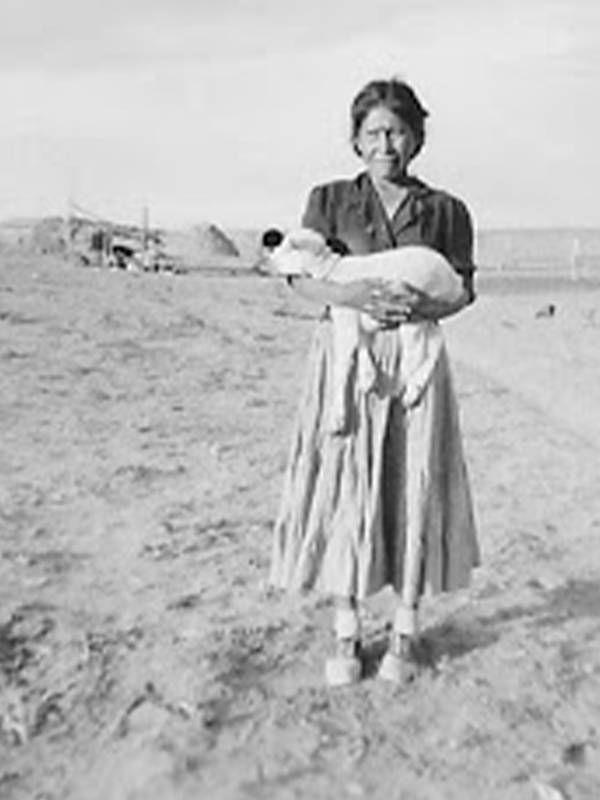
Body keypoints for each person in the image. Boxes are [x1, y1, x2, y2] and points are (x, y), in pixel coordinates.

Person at [269, 77, 480, 687]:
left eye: (397, 130)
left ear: (417, 136)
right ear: (355, 140)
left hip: (416, 365)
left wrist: (421, 310)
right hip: (345, 363)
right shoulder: (329, 201)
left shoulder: (445, 211)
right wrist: (355, 294)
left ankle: (407, 630)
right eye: (373, 132)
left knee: (413, 485)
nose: (386, 143)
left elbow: (463, 290)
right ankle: (346, 628)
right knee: (347, 488)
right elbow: (299, 278)